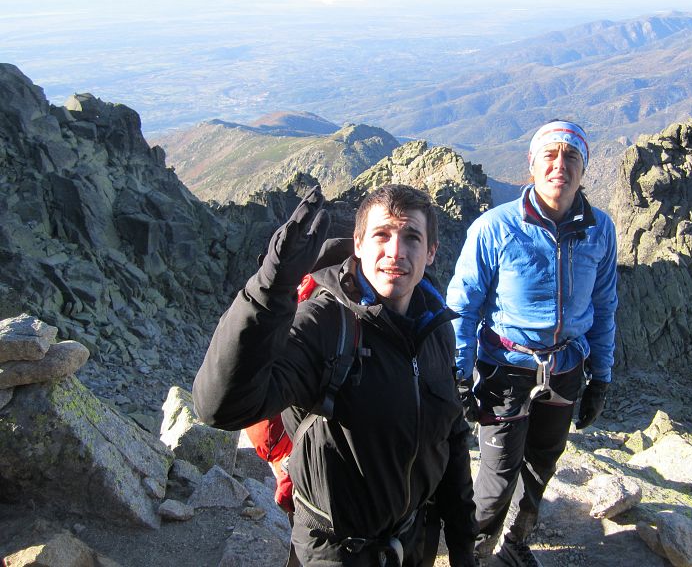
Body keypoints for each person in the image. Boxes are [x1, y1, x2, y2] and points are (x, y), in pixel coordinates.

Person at [193, 184, 478, 566]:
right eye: (382, 235)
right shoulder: (326, 324)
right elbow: (221, 408)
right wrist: (267, 292)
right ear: (358, 243)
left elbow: (452, 436)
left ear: (430, 252)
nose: (395, 252)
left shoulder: (435, 327)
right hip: (334, 552)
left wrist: (463, 545)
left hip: (411, 544)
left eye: (411, 237)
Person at [446, 120, 618, 566]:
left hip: (566, 369)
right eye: (550, 155)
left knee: (542, 463)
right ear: (532, 164)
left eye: (571, 157)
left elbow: (605, 304)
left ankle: (515, 546)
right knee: (497, 477)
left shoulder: (600, 230)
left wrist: (601, 375)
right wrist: (460, 375)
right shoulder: (495, 228)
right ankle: (473, 555)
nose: (560, 165)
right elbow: (461, 307)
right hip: (506, 367)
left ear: (584, 169)